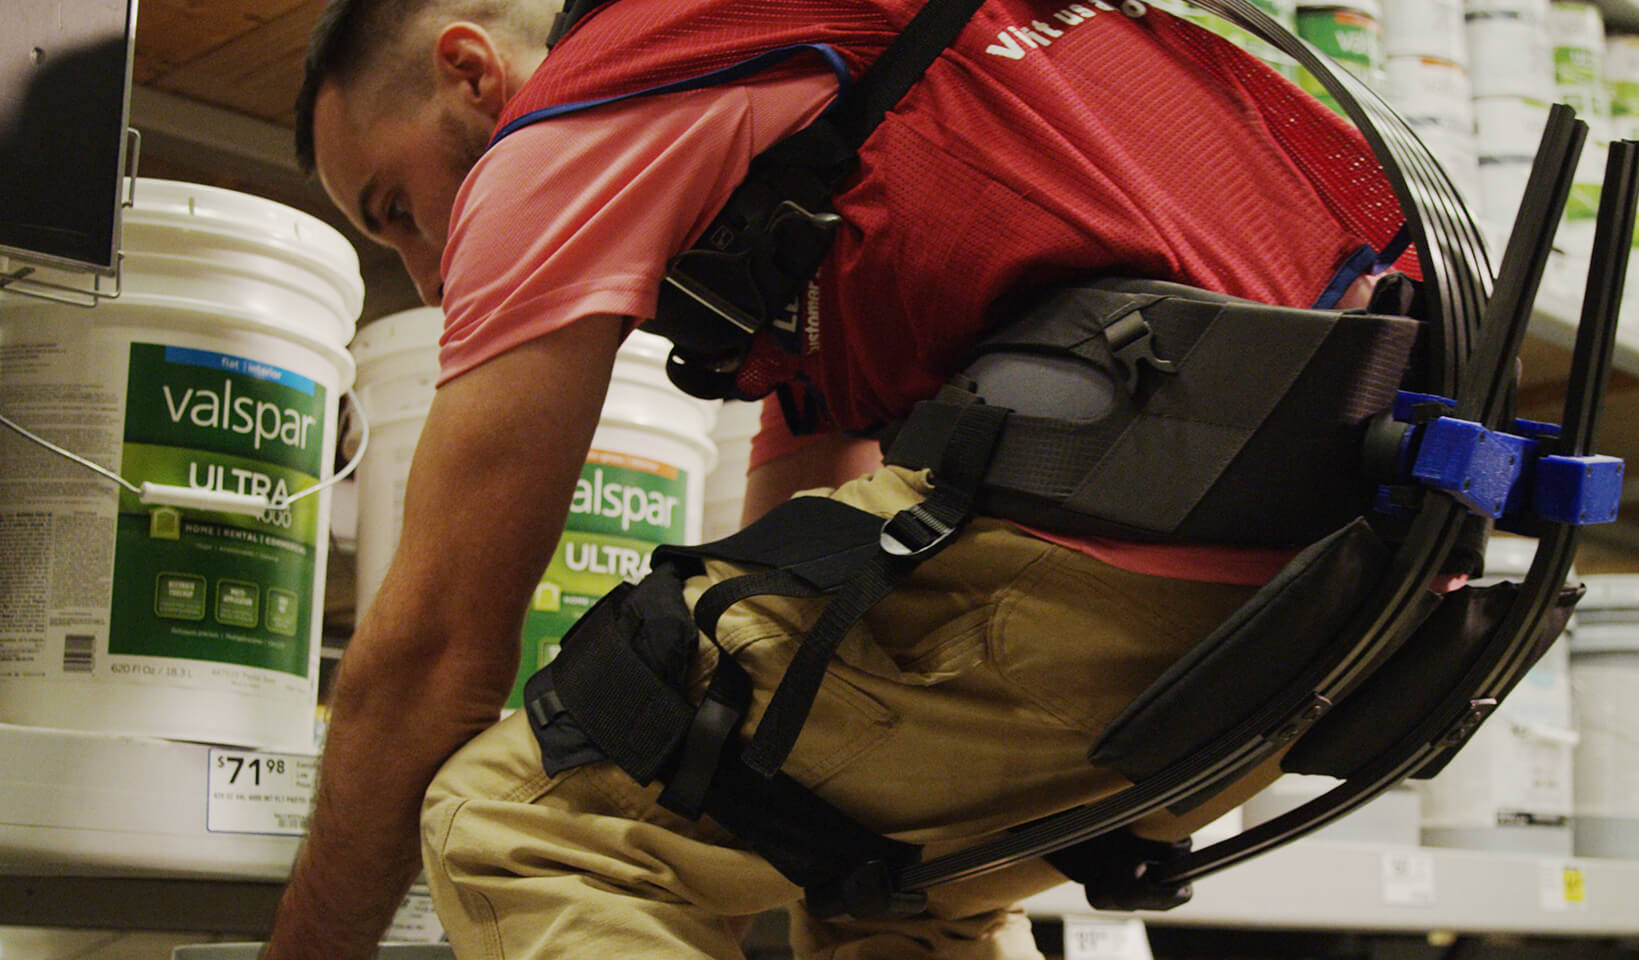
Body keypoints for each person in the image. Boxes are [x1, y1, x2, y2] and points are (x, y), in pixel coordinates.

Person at [269, 0, 1411, 956]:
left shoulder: (587, 107)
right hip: (1350, 601)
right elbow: (788, 587)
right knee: (866, 881)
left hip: (1136, 540)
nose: (424, 275)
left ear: (469, 72)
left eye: (398, 211)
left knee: (513, 817)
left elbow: (434, 659)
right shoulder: (861, 87)